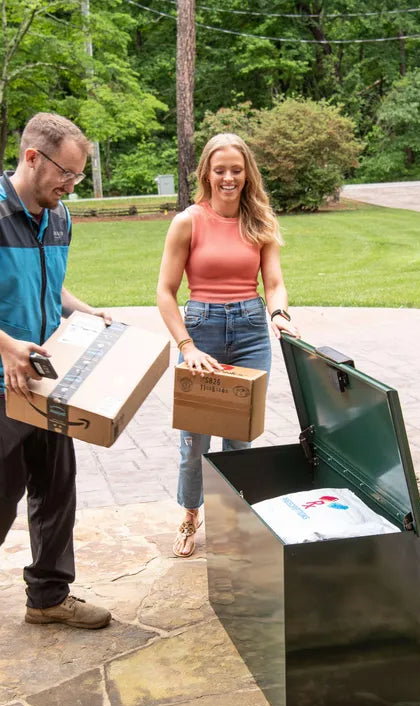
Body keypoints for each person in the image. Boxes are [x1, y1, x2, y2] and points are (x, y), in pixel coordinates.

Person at [0, 112, 113, 630]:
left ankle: (49, 596)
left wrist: (83, 310)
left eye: (77, 176)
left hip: (42, 378)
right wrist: (7, 347)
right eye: (66, 175)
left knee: (56, 486)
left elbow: (49, 288)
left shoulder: (58, 216)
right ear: (33, 157)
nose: (71, 187)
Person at [156, 132, 299, 558]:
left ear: (247, 173)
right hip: (202, 330)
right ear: (206, 173)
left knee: (240, 438)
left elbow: (273, 283)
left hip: (252, 330)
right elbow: (165, 292)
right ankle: (190, 513)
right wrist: (186, 346)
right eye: (220, 170)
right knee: (194, 439)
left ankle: (234, 519)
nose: (228, 178)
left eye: (236, 170)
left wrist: (279, 315)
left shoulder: (260, 221)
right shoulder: (188, 221)